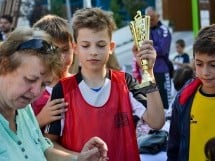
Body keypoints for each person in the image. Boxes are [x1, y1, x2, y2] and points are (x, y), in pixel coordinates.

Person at [45, 7, 165, 161]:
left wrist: (148, 71)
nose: (93, 51)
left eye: (101, 45)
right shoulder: (62, 89)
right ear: (75, 48)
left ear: (111, 47)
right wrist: (78, 158)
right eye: (86, 45)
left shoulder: (125, 82)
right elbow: (49, 143)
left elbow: (157, 122)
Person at [0, 27, 108, 161]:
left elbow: (44, 150)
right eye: (30, 79)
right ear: (4, 65)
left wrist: (78, 159)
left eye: (44, 84)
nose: (36, 92)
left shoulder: (23, 108)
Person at [167, 24, 215, 161]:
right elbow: (173, 148)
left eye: (213, 65)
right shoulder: (183, 98)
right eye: (199, 64)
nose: (205, 72)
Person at [31, 14, 75, 129]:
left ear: (73, 47)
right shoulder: (31, 93)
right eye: (53, 51)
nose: (61, 58)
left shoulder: (82, 83)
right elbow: (19, 135)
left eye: (65, 50)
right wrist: (40, 119)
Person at [132, 6, 172, 109]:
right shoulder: (143, 31)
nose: (150, 21)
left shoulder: (164, 30)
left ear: (158, 16)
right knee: (150, 103)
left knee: (166, 103)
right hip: (146, 72)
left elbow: (163, 49)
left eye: (152, 18)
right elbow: (138, 49)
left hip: (162, 71)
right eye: (148, 18)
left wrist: (147, 48)